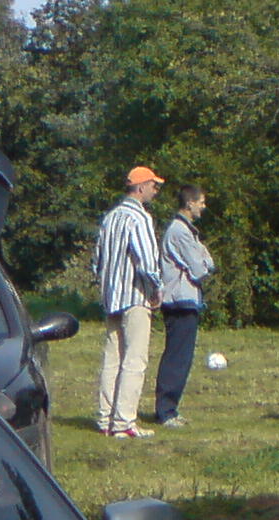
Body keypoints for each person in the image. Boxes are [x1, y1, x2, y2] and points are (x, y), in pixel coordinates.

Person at [94, 166, 165, 439]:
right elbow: (146, 260)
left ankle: (105, 418)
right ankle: (124, 422)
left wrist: (104, 286)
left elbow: (97, 260)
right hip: (135, 296)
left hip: (111, 297)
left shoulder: (110, 217)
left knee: (112, 359)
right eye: (154, 186)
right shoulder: (140, 217)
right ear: (141, 187)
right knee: (135, 360)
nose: (155, 191)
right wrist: (156, 289)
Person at [153, 185, 216, 428]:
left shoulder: (189, 231)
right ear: (189, 203)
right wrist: (203, 262)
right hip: (179, 302)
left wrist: (203, 261)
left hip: (187, 301)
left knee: (183, 358)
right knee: (177, 358)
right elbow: (200, 269)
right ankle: (165, 411)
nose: (204, 207)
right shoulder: (180, 231)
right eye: (201, 202)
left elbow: (208, 261)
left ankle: (170, 408)